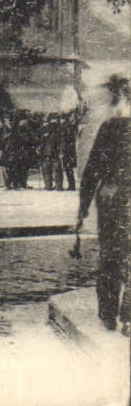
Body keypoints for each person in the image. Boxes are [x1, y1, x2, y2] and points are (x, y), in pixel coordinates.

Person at [77, 75, 131, 334]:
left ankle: (108, 313)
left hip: (112, 198)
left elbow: (93, 168)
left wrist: (83, 207)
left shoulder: (111, 127)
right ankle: (128, 318)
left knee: (110, 255)